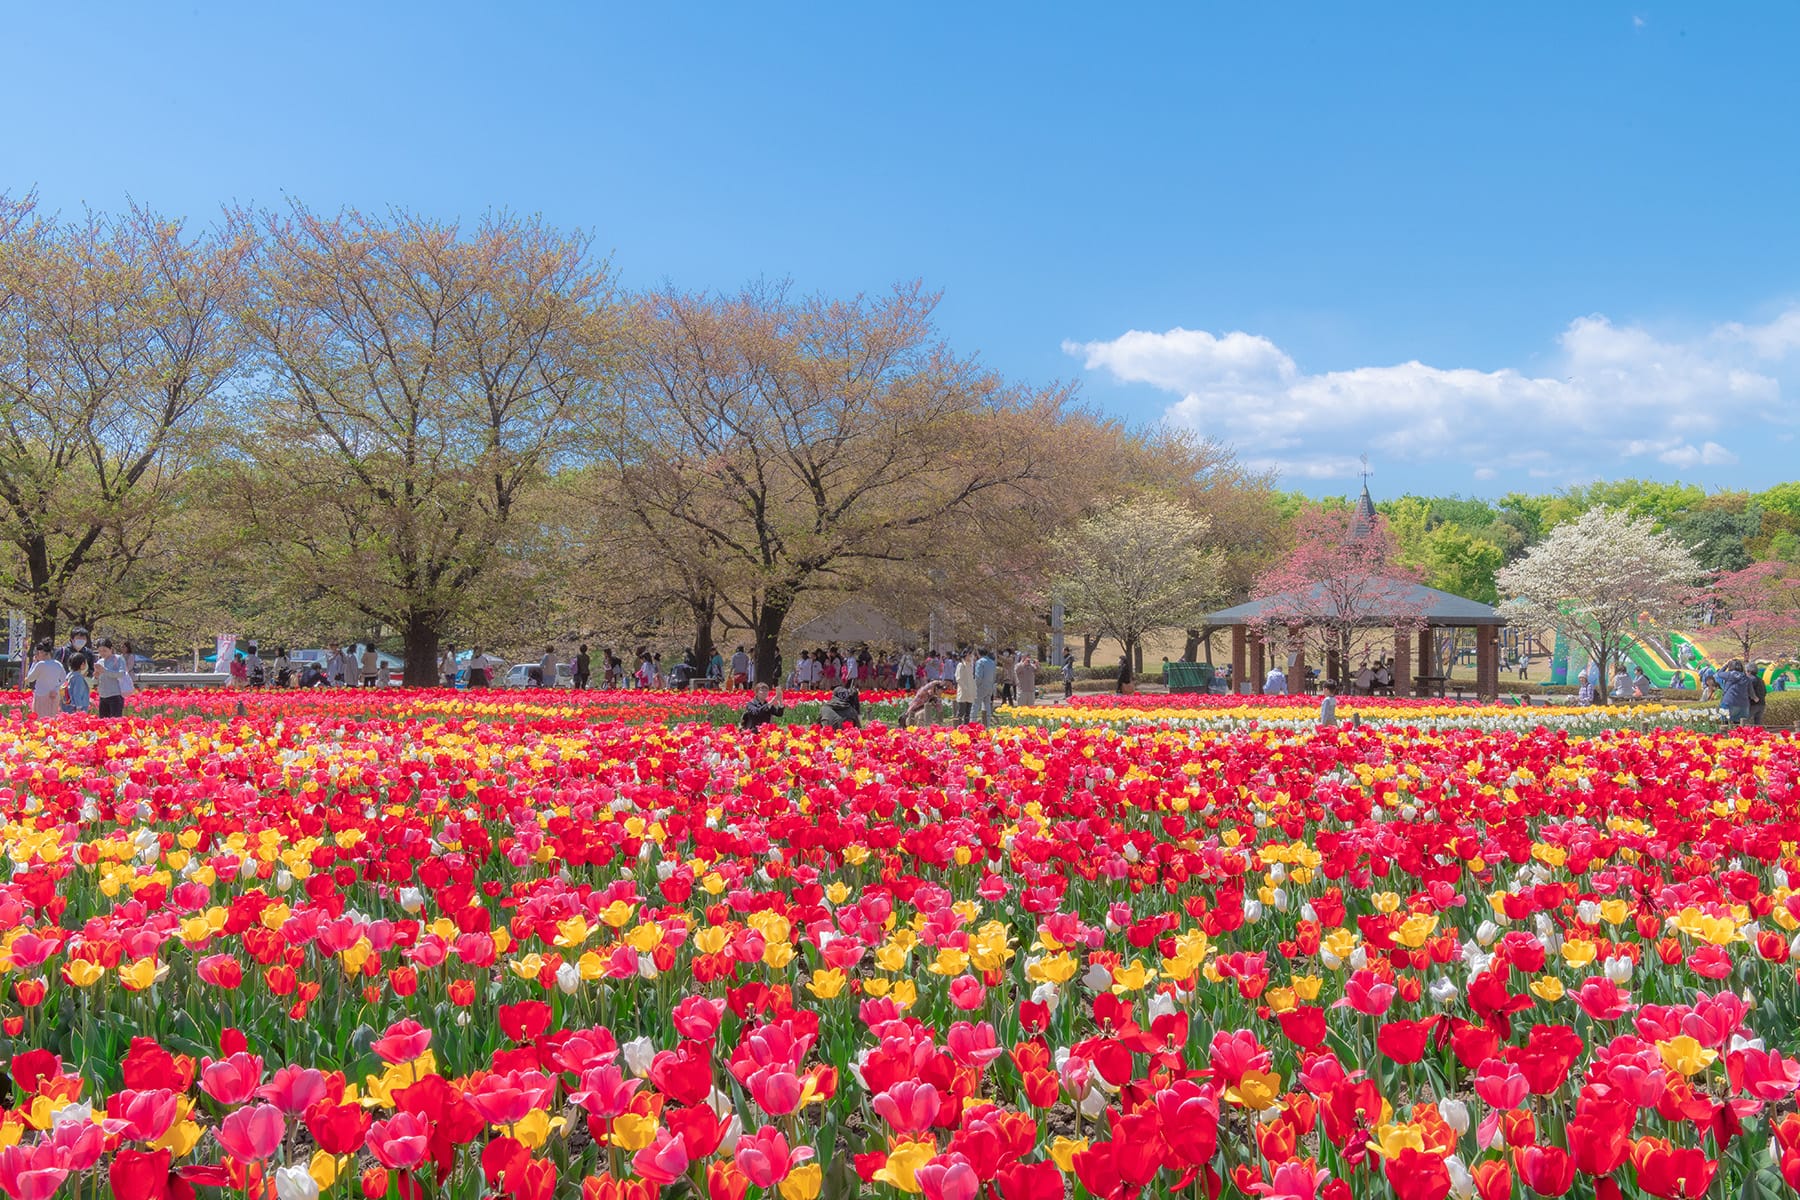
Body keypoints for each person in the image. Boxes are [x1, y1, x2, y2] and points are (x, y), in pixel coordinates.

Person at [23, 643, 66, 720]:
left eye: (38, 652)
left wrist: (34, 663)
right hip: (54, 695)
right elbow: (64, 680)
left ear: (42, 652)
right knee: (52, 720)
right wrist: (56, 689)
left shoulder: (40, 664)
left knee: (40, 720)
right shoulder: (58, 664)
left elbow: (30, 678)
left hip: (41, 695)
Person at [95, 639, 129, 718]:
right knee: (103, 723)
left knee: (115, 722)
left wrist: (105, 671)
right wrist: (96, 675)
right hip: (103, 696)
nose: (102, 653)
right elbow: (97, 679)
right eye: (99, 651)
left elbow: (121, 674)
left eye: (104, 650)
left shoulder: (118, 659)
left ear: (111, 649)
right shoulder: (100, 661)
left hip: (115, 695)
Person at [1719, 659, 1753, 725]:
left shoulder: (1729, 674)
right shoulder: (1746, 677)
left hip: (1729, 702)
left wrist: (1725, 665)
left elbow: (1719, 674)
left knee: (1725, 723)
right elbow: (1750, 691)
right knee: (1739, 725)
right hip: (1743, 704)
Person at [974, 648, 998, 725]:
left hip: (981, 686)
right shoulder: (992, 662)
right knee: (987, 705)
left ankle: (972, 724)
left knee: (975, 705)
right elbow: (994, 676)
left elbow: (978, 676)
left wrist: (976, 686)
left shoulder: (979, 662)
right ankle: (987, 724)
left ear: (978, 653)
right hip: (989, 686)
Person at [955, 650, 976, 724]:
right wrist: (965, 688)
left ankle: (966, 729)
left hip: (970, 693)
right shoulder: (961, 665)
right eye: (969, 655)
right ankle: (957, 728)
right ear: (965, 655)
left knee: (968, 713)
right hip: (963, 692)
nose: (971, 657)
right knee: (961, 712)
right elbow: (958, 678)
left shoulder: (970, 665)